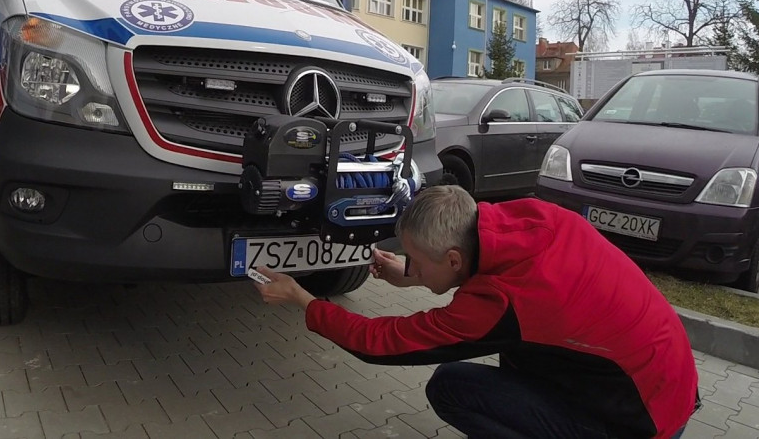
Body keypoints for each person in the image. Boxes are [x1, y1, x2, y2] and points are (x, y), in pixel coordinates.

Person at [254, 185, 699, 439]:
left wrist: (305, 301)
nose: (413, 266)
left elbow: (381, 344)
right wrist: (410, 272)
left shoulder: (502, 302)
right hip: (665, 383)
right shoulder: (529, 219)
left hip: (640, 423)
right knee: (519, 355)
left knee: (451, 385)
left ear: (451, 260)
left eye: (419, 260)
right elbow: (472, 267)